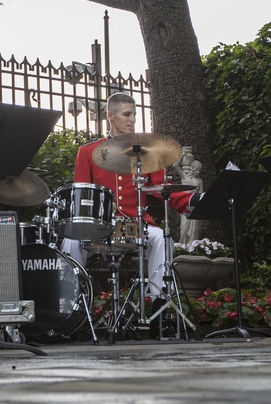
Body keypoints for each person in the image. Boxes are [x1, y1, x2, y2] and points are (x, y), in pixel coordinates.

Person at [60, 93, 200, 309]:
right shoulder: (87, 152)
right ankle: (74, 304)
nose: (132, 119)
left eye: (134, 114)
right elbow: (82, 195)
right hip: (101, 226)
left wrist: (194, 200)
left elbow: (164, 189)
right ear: (110, 116)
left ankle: (160, 306)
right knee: (71, 241)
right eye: (126, 114)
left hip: (137, 224)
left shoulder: (147, 153)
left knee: (163, 240)